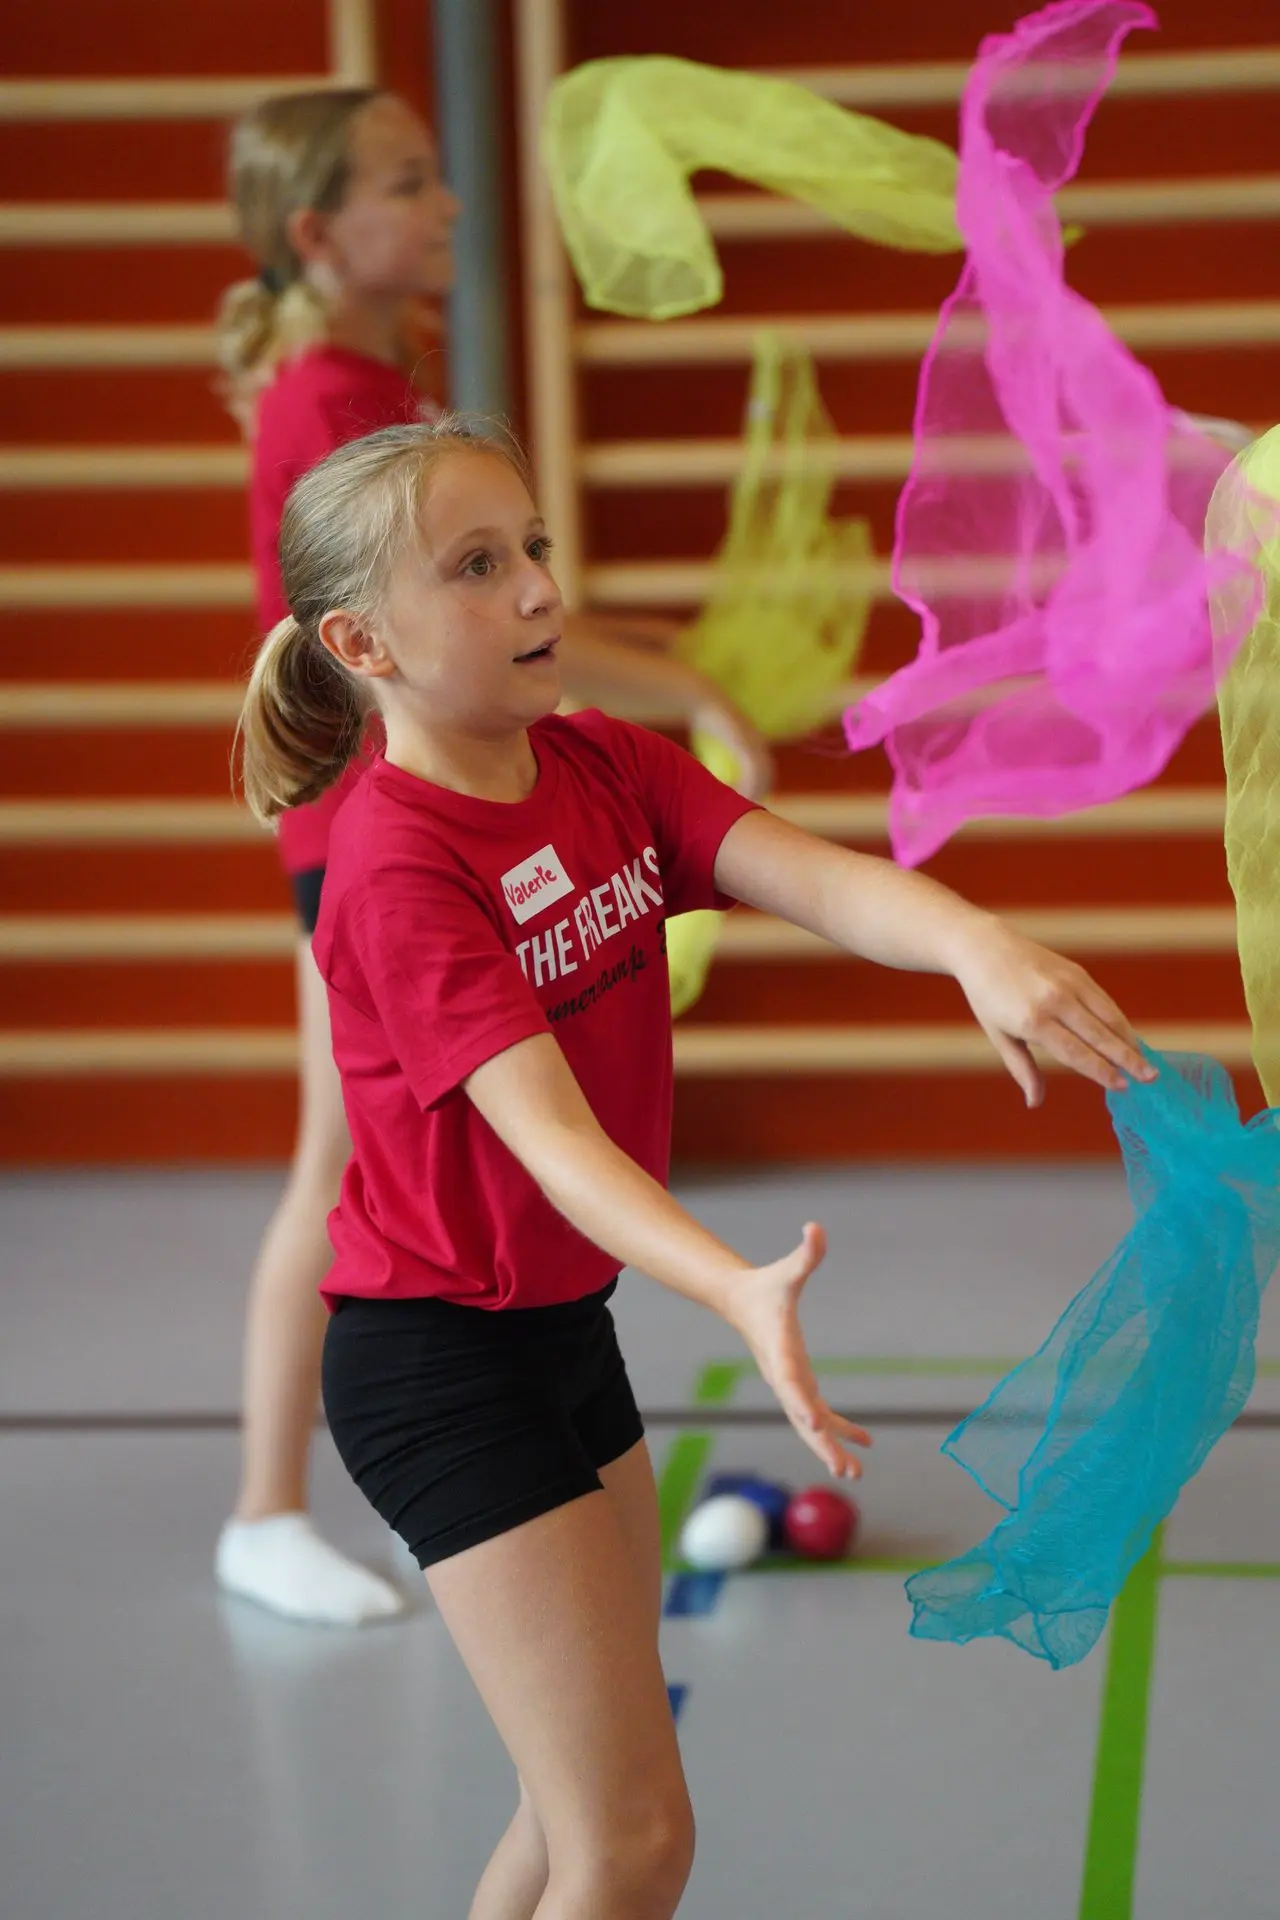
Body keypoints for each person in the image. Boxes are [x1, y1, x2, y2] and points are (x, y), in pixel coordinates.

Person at [236, 413, 1154, 1918]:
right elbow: (552, 1143)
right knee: (632, 1844)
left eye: (533, 546)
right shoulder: (397, 869)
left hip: (556, 1337)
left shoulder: (601, 762)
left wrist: (976, 945)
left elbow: (813, 878)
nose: (540, 588)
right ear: (362, 642)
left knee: (576, 1822)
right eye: (477, 566)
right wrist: (735, 1286)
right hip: (438, 1367)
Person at [214, 87, 770, 1624]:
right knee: (341, 1168)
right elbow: (434, 620)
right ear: (320, 232)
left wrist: (662, 667)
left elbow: (489, 600)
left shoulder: (377, 379)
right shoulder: (331, 406)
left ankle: (448, 1503)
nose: (448, 204)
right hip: (380, 845)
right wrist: (678, 681)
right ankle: (269, 1509)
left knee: (360, 1162)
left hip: (404, 834)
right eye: (407, 183)